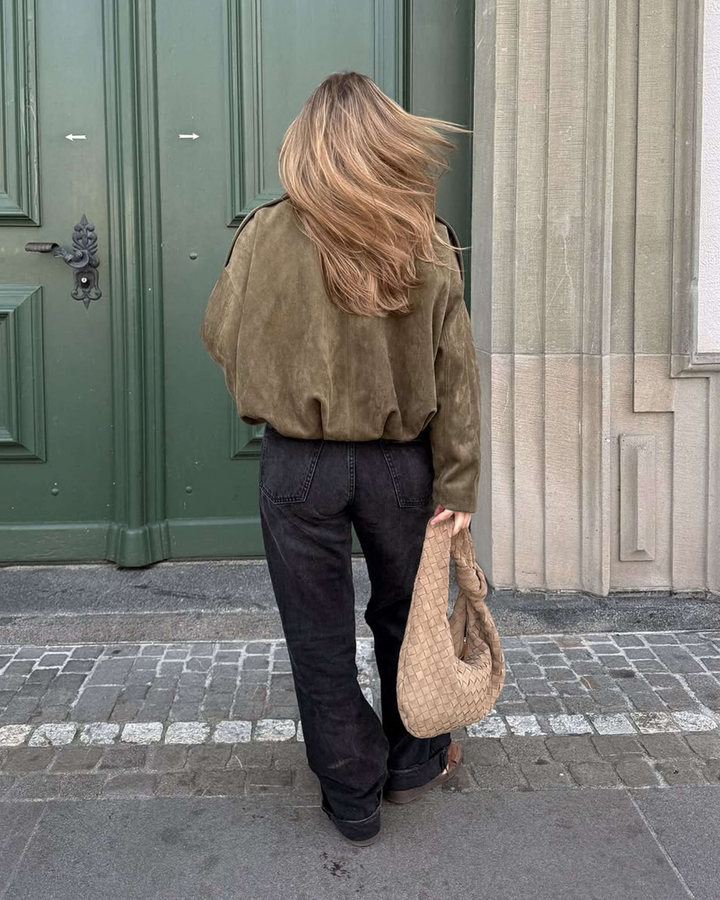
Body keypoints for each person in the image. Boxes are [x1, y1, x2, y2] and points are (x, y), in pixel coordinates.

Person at [200, 71, 481, 846]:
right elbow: (457, 373)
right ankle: (414, 762)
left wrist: (282, 390)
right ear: (387, 139)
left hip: (298, 466)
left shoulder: (265, 231)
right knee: (408, 615)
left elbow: (222, 336)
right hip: (401, 463)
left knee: (316, 633)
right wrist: (459, 482)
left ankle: (350, 795)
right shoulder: (426, 234)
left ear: (307, 143)